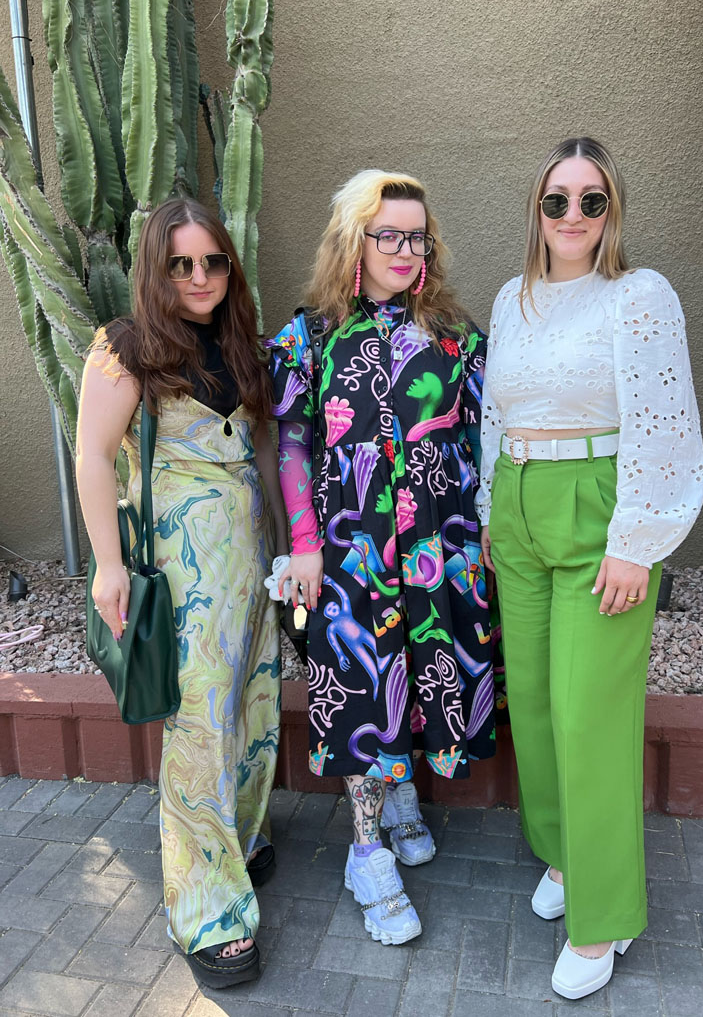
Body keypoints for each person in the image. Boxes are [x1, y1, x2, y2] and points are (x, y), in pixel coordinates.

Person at [477, 137, 703, 1000]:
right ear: (536, 210)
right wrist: (497, 511)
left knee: (589, 714)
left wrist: (636, 538)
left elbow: (663, 415)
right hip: (519, 508)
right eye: (557, 200)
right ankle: (567, 859)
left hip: (598, 504)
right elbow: (500, 413)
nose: (572, 216)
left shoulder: (637, 296)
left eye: (591, 199)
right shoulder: (514, 296)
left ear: (613, 211)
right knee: (531, 702)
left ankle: (604, 916)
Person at [268, 169, 495, 945]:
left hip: (439, 544)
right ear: (353, 240)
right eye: (388, 233)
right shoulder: (310, 337)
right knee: (365, 687)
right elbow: (294, 442)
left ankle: (402, 799)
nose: (405, 248)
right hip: (350, 550)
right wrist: (303, 543)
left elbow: (484, 438)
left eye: (417, 234)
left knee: (426, 673)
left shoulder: (454, 334)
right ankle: (367, 852)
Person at [76, 198, 288, 988]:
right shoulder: (125, 346)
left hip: (251, 563)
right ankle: (207, 909)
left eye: (214, 262)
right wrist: (107, 565)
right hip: (183, 570)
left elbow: (262, 451)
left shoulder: (241, 343)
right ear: (155, 269)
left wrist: (289, 542)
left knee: (253, 703)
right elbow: (94, 456)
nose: (200, 277)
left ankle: (239, 833)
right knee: (199, 725)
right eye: (182, 263)